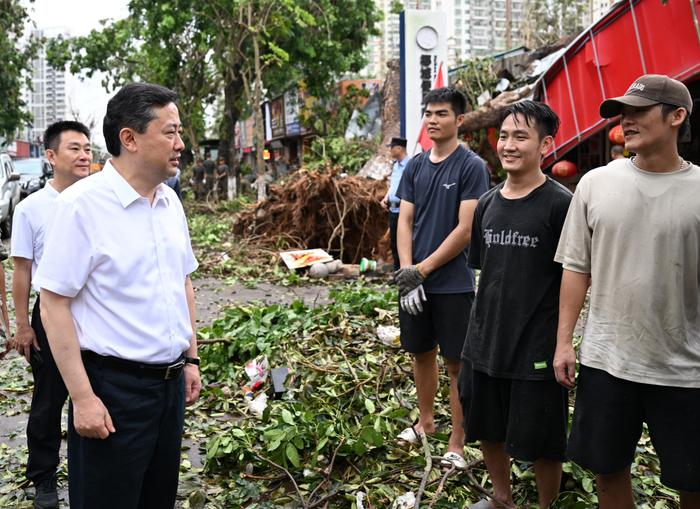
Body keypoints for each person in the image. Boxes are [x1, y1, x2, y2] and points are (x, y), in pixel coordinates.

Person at [35, 83, 201, 509]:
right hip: (112, 392)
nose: (180, 144)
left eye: (179, 132)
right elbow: (54, 304)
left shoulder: (170, 203)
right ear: (129, 138)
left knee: (156, 498)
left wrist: (191, 357)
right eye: (170, 132)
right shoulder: (81, 206)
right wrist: (84, 398)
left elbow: (182, 281)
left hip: (168, 390)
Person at [554, 74, 700, 509]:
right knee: (608, 470)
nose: (626, 120)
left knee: (693, 482)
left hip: (685, 369)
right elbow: (576, 267)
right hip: (606, 361)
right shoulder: (596, 184)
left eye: (639, 110)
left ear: (677, 116)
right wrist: (564, 342)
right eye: (624, 111)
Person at [460, 101, 572, 509]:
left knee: (543, 439)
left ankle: (545, 506)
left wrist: (563, 342)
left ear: (545, 144)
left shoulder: (559, 204)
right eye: (504, 135)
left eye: (520, 137)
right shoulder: (487, 204)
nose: (508, 145)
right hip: (486, 340)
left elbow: (574, 279)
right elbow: (483, 273)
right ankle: (501, 499)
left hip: (536, 345)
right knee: (488, 427)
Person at [394, 87, 489, 468]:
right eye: (429, 113)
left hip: (453, 283)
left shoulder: (471, 167)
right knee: (420, 353)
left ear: (460, 120)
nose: (433, 120)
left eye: (442, 114)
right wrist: (407, 272)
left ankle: (457, 440)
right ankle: (426, 423)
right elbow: (405, 219)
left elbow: (466, 229)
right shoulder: (415, 165)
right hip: (414, 280)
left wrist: (422, 269)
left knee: (456, 363)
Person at [11, 120, 92, 509]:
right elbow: (23, 270)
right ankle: (43, 478)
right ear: (51, 156)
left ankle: (88, 472)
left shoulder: (98, 201)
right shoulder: (31, 209)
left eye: (88, 149)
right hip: (49, 315)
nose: (84, 155)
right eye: (74, 148)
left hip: (94, 315)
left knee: (94, 395)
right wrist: (23, 326)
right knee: (49, 401)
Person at [381, 137, 411, 271]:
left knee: (405, 242)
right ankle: (397, 271)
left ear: (399, 148)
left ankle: (407, 270)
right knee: (394, 243)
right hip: (393, 210)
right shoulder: (395, 165)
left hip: (405, 210)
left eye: (391, 147)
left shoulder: (411, 165)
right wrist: (386, 197)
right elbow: (393, 185)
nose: (390, 150)